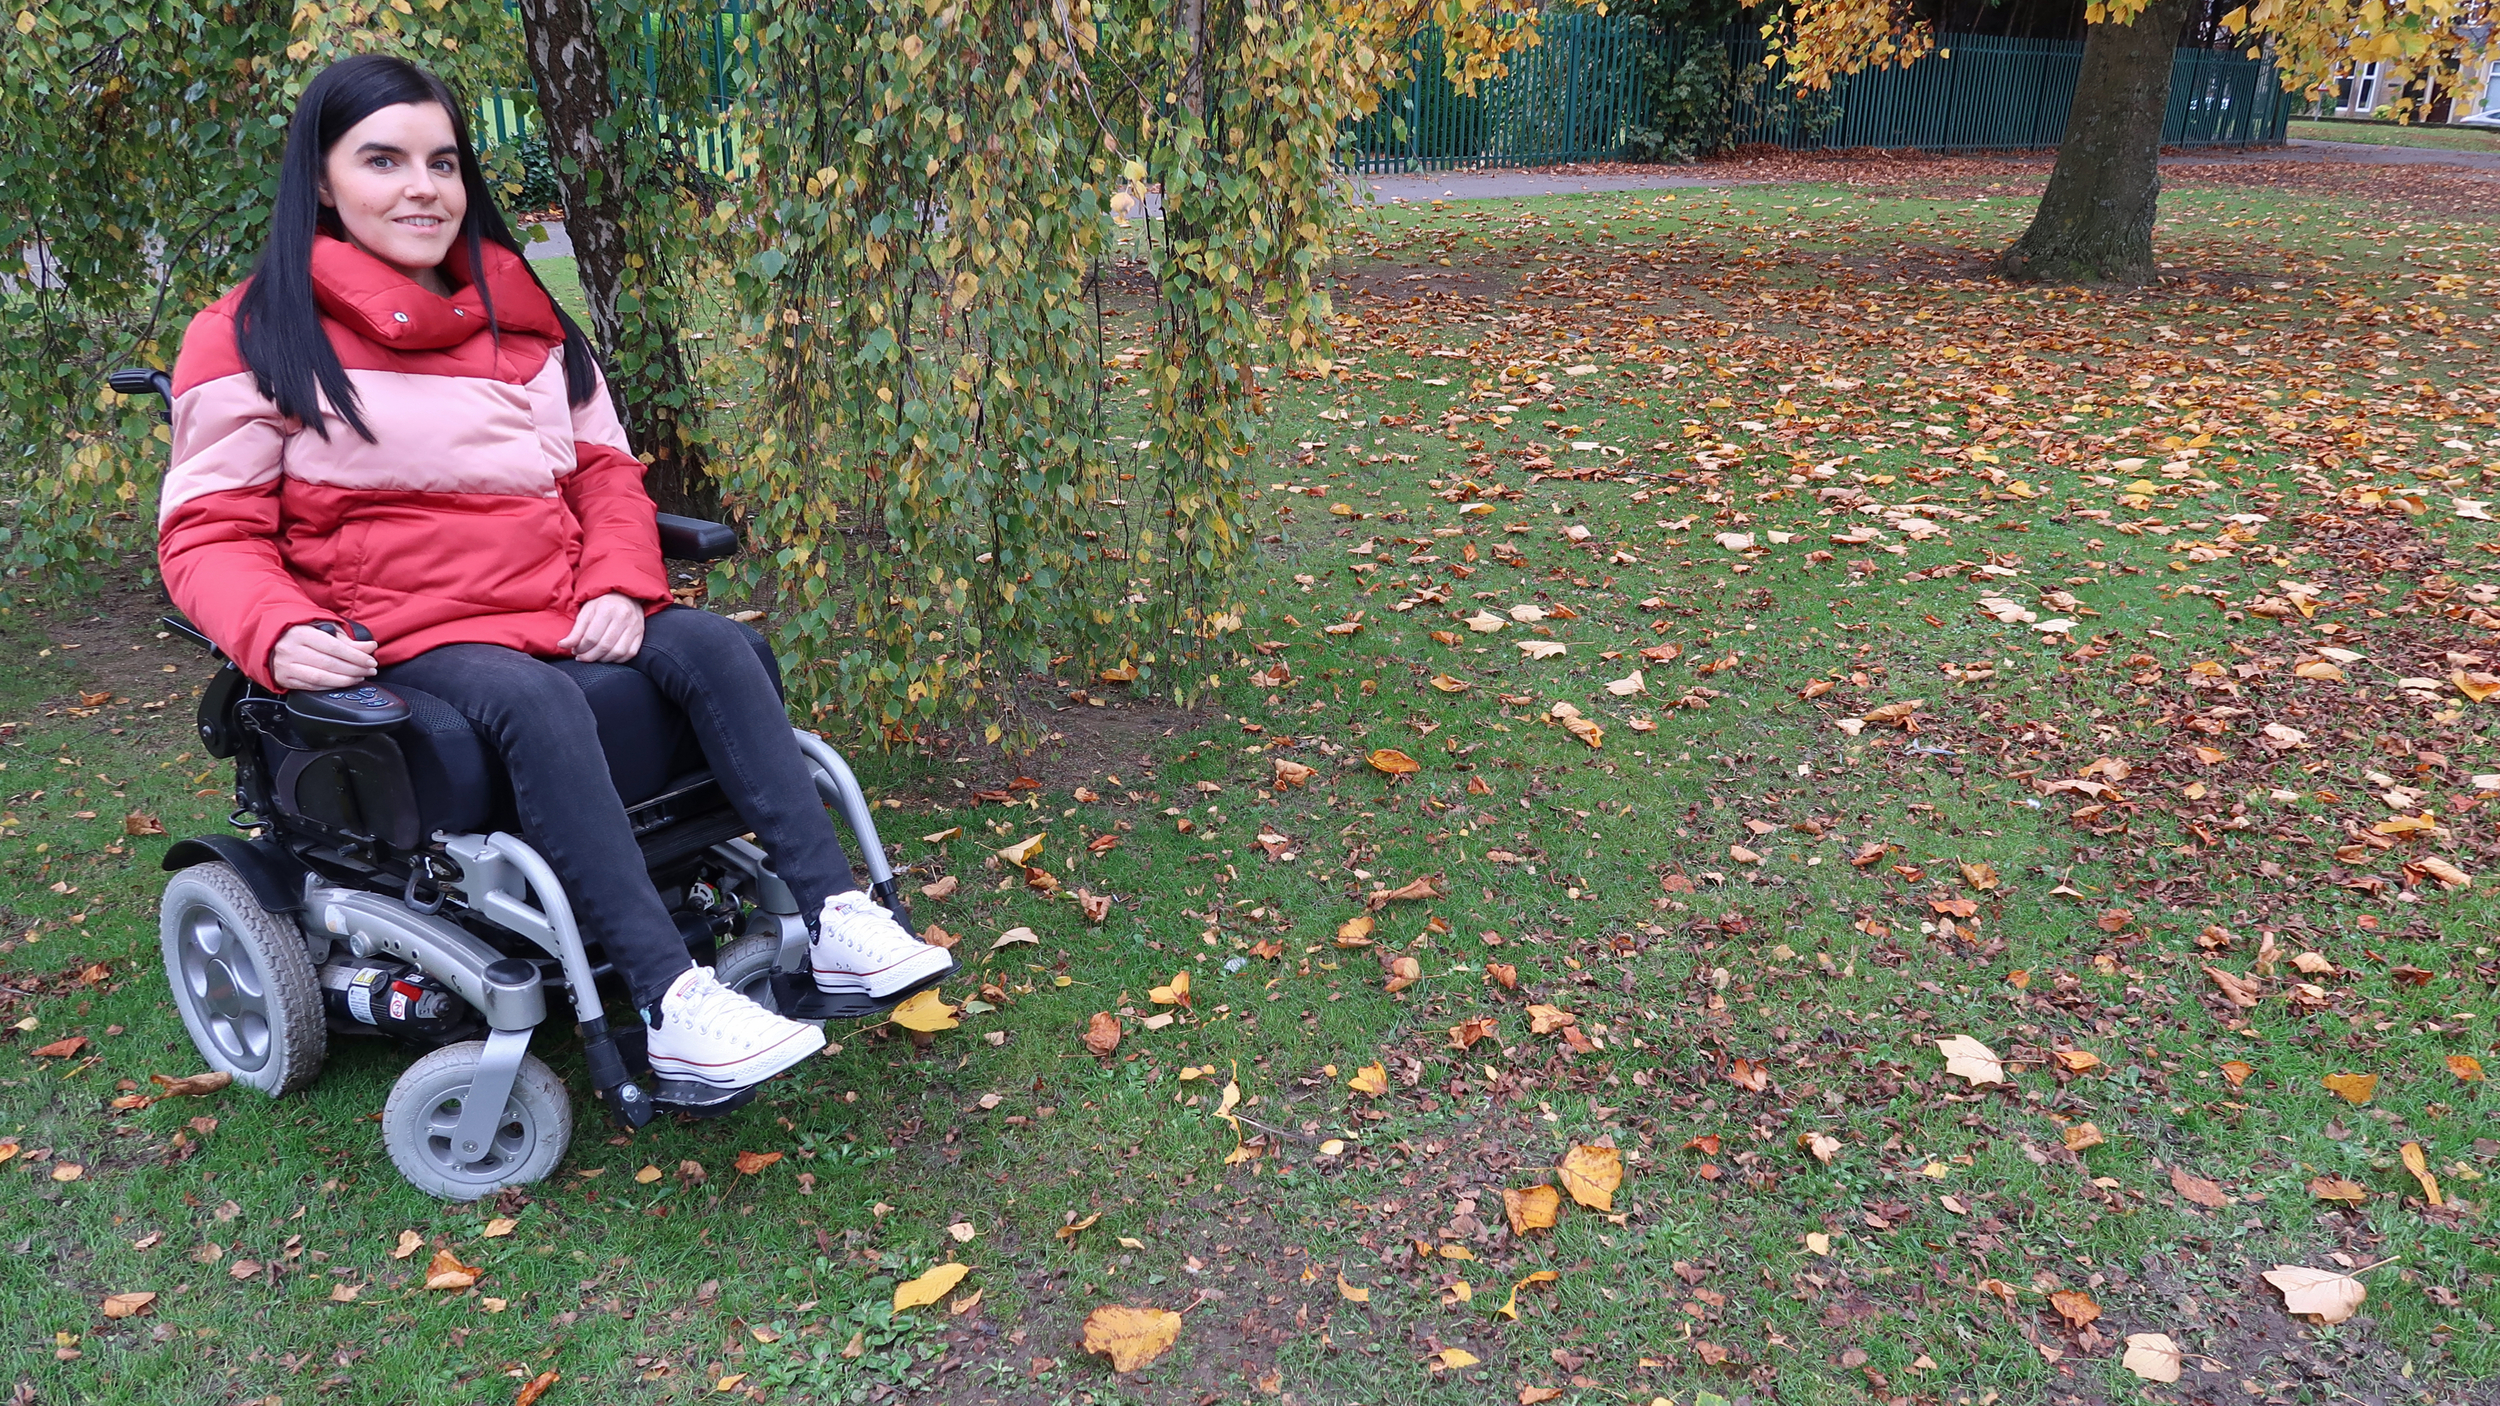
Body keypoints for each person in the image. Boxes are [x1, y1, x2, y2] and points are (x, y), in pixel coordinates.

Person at [157, 53, 953, 1094]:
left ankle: (832, 909)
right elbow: (207, 531)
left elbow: (605, 474)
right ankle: (670, 1001)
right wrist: (270, 626)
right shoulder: (254, 334)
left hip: (558, 597)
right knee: (535, 703)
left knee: (714, 643)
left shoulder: (521, 318)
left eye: (442, 162)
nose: (422, 188)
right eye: (383, 160)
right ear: (321, 179)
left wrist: (621, 582)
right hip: (406, 626)